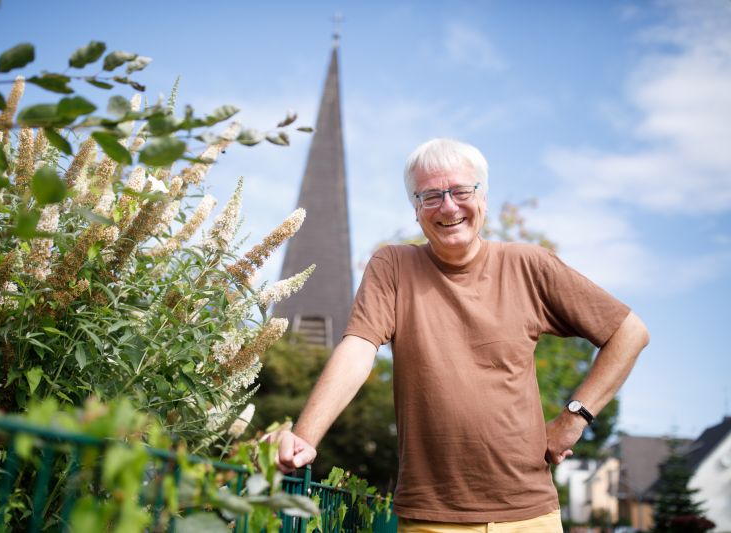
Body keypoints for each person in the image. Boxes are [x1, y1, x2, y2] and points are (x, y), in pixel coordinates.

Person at [274, 138, 649, 532]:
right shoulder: (393, 266)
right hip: (430, 518)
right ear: (416, 209)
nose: (449, 207)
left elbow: (629, 332)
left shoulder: (528, 265)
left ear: (482, 197)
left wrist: (574, 418)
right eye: (431, 195)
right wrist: (305, 436)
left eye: (460, 191)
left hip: (529, 515)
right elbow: (358, 348)